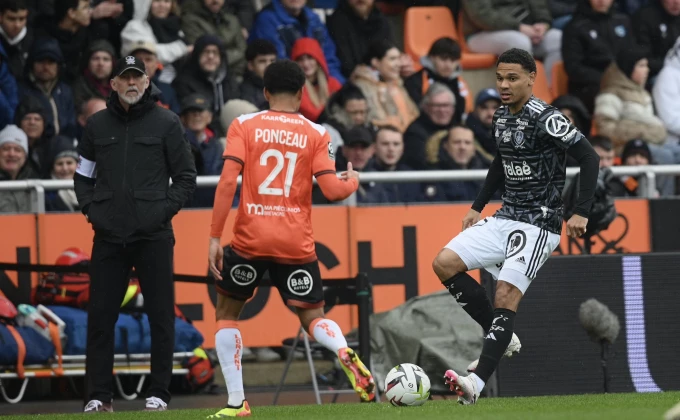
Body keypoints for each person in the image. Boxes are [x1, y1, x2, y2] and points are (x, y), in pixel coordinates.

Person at [431, 49, 600, 404]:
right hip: (506, 216)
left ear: (531, 78)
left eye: (512, 78)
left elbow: (589, 156)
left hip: (539, 222)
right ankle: (502, 336)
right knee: (444, 263)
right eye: (499, 78)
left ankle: (476, 383)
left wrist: (581, 211)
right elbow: (501, 162)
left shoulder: (547, 117)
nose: (504, 85)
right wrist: (477, 206)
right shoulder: (500, 116)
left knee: (505, 293)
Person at [207, 59, 375, 418]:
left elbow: (226, 183)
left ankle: (237, 403)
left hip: (249, 240)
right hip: (295, 242)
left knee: (227, 314)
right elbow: (332, 191)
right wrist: (352, 181)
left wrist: (214, 237)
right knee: (313, 317)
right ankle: (341, 348)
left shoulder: (243, 124)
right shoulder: (317, 132)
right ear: (301, 93)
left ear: (265, 92)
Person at [74, 55, 197, 412]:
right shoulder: (96, 125)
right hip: (108, 236)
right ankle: (99, 396)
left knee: (161, 317)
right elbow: (82, 177)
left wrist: (160, 212)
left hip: (153, 237)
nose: (131, 83)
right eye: (125, 77)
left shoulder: (167, 123)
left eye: (137, 77)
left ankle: (159, 394)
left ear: (147, 82)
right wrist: (92, 210)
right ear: (112, 83)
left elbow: (186, 177)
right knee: (100, 318)